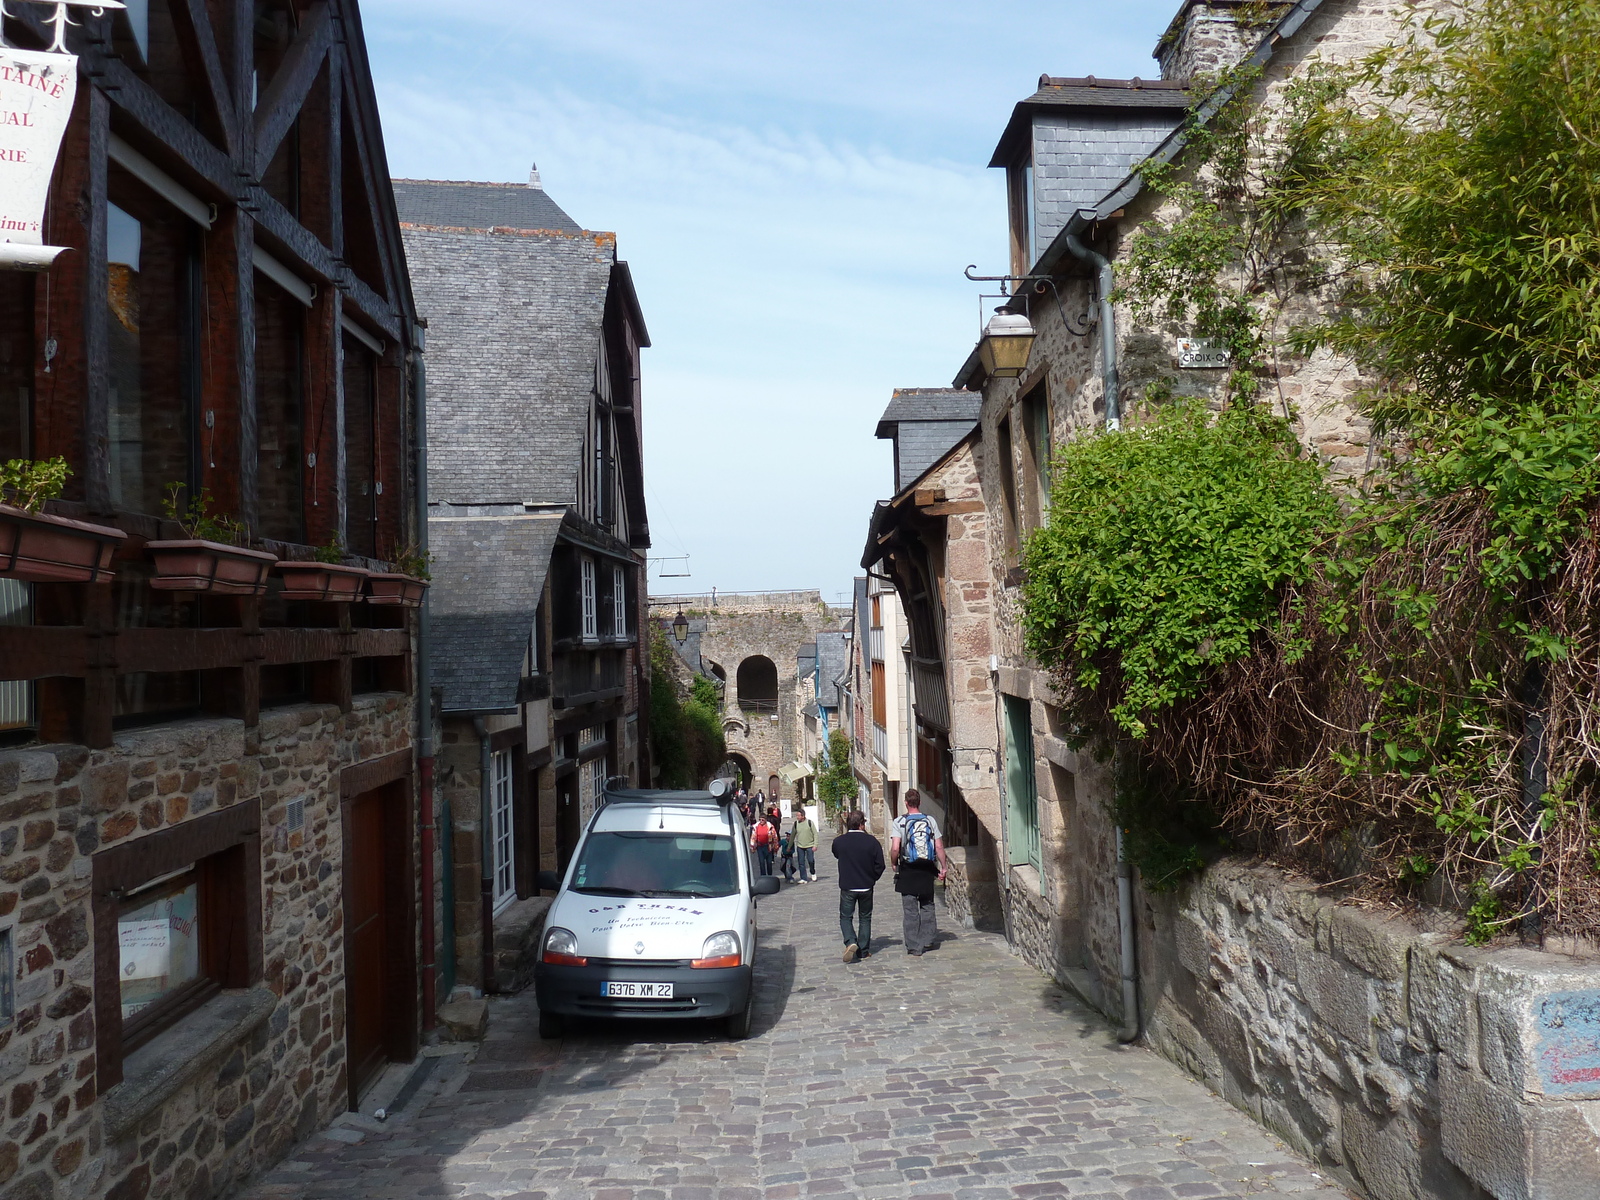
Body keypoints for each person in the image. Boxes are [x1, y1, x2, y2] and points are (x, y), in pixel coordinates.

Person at [890, 789, 948, 956]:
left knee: (910, 910)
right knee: (927, 905)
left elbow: (895, 848)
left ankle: (914, 945)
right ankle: (928, 940)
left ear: (906, 803)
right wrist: (943, 867)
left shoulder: (899, 821)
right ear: (920, 802)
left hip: (908, 870)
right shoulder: (930, 820)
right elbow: (938, 847)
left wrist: (894, 863)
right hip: (926, 870)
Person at [831, 809, 884, 963]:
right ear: (862, 824)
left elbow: (836, 853)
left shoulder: (839, 842)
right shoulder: (872, 842)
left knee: (846, 917)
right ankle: (863, 951)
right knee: (865, 918)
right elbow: (880, 865)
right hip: (866, 886)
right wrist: (872, 878)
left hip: (848, 886)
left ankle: (850, 941)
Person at [791, 808, 818, 882]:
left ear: (803, 816)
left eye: (798, 816)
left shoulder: (809, 823)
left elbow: (815, 834)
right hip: (800, 846)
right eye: (797, 815)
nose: (797, 817)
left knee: (811, 861)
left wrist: (815, 845)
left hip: (810, 845)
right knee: (801, 863)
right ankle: (803, 878)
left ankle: (813, 872)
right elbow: (792, 835)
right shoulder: (796, 824)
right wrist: (789, 846)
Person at [751, 810, 777, 875]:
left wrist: (776, 847)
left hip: (768, 846)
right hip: (760, 846)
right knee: (761, 862)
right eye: (760, 820)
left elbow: (775, 837)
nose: (761, 821)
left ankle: (770, 875)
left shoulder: (770, 827)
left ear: (765, 820)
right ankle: (763, 876)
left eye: (762, 820)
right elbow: (753, 837)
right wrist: (752, 847)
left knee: (769, 863)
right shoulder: (756, 827)